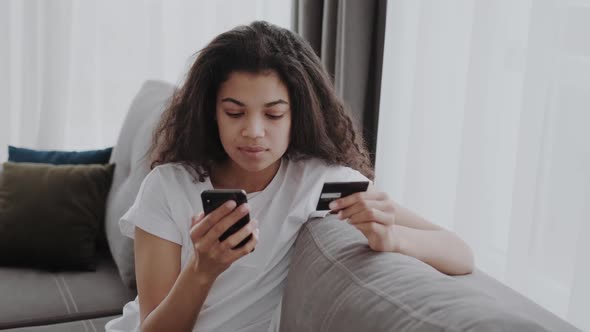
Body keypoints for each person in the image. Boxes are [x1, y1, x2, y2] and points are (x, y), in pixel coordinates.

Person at [105, 21, 474, 332]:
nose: (253, 131)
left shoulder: (318, 183)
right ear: (211, 113)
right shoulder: (168, 186)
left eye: (273, 114)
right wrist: (203, 269)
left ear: (299, 114)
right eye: (235, 113)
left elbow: (459, 252)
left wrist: (391, 236)